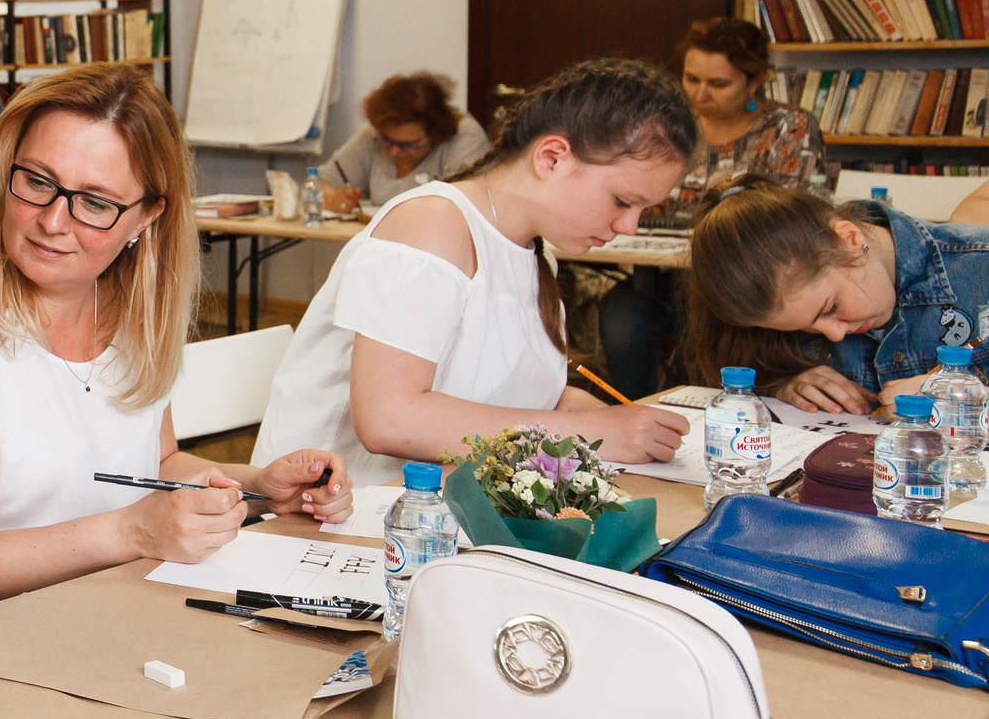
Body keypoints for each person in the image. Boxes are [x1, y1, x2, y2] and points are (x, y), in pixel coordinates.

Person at [0, 63, 351, 629]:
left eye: (95, 203)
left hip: (101, 611)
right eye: (39, 181)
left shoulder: (134, 315)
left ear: (146, 217)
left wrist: (256, 487)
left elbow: (157, 464)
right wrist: (130, 530)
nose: (52, 221)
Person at [686, 178, 989, 719]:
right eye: (810, 328)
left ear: (847, 237)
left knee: (925, 647)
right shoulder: (804, 295)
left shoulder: (977, 270)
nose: (836, 330)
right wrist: (787, 381)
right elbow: (738, 374)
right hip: (839, 520)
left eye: (830, 307)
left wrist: (971, 404)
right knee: (737, 601)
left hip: (959, 542)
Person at [253, 59, 698, 488]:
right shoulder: (431, 227)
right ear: (552, 159)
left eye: (644, 209)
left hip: (447, 500)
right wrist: (577, 433)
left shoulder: (535, 250)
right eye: (622, 201)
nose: (629, 227)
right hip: (337, 514)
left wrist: (605, 419)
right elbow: (389, 419)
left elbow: (512, 394)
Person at [599, 18, 828, 395]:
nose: (700, 94)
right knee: (623, 319)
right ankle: (635, 413)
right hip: (659, 280)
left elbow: (796, 219)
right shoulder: (665, 127)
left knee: (706, 328)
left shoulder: (789, 128)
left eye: (718, 84)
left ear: (754, 81)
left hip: (744, 283)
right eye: (691, 79)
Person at [312, 72, 489, 214]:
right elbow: (314, 184)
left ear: (436, 134)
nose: (394, 152)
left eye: (408, 145)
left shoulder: (464, 137)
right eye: (387, 141)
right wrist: (335, 199)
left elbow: (462, 206)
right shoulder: (374, 137)